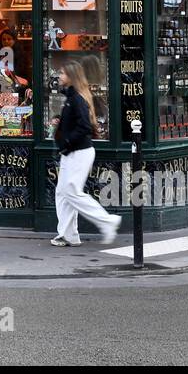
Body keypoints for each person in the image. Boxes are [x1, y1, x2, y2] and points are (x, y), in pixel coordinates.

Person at [50, 60, 121, 248]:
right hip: (72, 151)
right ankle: (68, 235)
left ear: (71, 77)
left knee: (71, 191)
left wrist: (66, 141)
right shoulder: (72, 96)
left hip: (79, 152)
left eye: (63, 73)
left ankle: (107, 222)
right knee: (63, 193)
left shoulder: (77, 99)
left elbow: (84, 127)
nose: (60, 76)